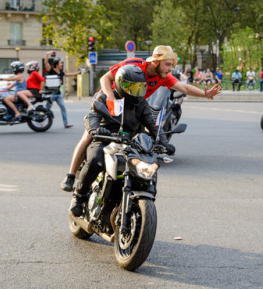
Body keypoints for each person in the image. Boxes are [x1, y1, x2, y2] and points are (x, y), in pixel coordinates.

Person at [60, 45, 221, 192]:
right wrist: (110, 97)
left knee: (137, 140)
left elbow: (184, 87)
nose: (170, 69)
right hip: (110, 99)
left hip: (133, 106)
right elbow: (105, 79)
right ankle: (71, 175)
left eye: (172, 65)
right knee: (89, 135)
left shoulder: (163, 76)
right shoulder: (134, 64)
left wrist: (205, 94)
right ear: (156, 62)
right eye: (168, 64)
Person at [69, 65, 175, 216]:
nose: (137, 92)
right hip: (105, 139)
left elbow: (153, 125)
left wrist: (164, 142)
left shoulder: (142, 104)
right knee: (95, 160)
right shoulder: (105, 97)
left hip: (130, 144)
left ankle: (141, 198)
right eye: (133, 87)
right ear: (121, 84)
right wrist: (95, 129)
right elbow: (92, 116)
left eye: (140, 87)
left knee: (148, 167)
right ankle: (78, 196)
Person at [44, 54, 81, 128]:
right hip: (51, 94)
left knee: (63, 108)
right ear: (57, 64)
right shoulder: (51, 71)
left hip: (58, 94)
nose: (62, 64)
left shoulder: (61, 72)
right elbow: (46, 63)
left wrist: (77, 73)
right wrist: (47, 55)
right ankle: (40, 121)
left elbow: (68, 74)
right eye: (60, 63)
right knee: (46, 109)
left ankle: (65, 124)